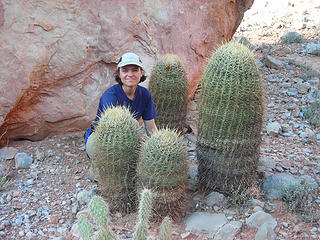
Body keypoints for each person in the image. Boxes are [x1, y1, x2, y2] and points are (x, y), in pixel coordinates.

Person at [84, 52, 158, 160]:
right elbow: (113, 130)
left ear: (141, 73)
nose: (130, 74)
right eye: (125, 70)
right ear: (119, 74)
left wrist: (158, 145)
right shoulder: (110, 96)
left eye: (135, 70)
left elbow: (150, 126)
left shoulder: (145, 94)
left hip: (129, 135)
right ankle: (98, 170)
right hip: (104, 138)